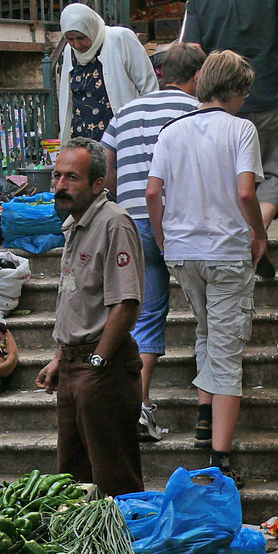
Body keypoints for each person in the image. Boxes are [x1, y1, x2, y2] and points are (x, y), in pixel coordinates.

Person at [145, 50, 268, 487]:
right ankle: (220, 455)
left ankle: (202, 414)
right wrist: (260, 234)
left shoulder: (171, 132)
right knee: (228, 345)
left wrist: (162, 239)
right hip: (226, 250)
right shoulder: (241, 129)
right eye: (244, 92)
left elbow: (152, 193)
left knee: (205, 329)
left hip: (183, 252)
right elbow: (247, 194)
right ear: (235, 90)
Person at [101, 43, 207, 443]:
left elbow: (107, 166)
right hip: (181, 219)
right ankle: (210, 407)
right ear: (197, 77)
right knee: (208, 314)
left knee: (145, 316)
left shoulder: (126, 111)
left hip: (131, 221)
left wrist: (118, 197)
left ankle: (139, 407)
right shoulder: (195, 111)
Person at [183, 0, 278, 279]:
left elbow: (191, 52)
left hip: (219, 103)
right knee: (273, 171)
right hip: (267, 96)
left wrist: (200, 98)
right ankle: (256, 233)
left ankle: (241, 238)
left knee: (228, 174)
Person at [35, 137, 145, 497]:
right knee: (72, 479)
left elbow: (125, 302)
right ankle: (82, 553)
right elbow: (78, 300)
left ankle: (126, 550)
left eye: (72, 178)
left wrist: (97, 362)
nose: (61, 186)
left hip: (102, 369)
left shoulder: (114, 223)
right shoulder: (75, 225)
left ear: (99, 184)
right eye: (57, 176)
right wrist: (59, 359)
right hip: (72, 367)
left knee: (114, 480)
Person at [58, 4, 159, 144]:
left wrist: (149, 126)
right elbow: (67, 98)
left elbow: (148, 86)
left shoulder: (119, 38)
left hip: (119, 138)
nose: (77, 44)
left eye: (81, 37)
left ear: (91, 29)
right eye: (70, 39)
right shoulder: (70, 51)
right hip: (82, 142)